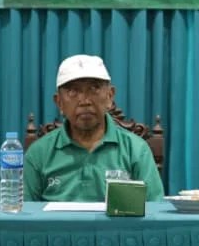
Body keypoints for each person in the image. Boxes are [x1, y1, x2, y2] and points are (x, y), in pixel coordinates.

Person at [23, 54, 165, 202]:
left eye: (94, 88)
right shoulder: (39, 153)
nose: (85, 101)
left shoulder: (136, 149)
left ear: (110, 96)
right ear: (59, 102)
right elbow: (24, 216)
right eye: (73, 91)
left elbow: (154, 212)